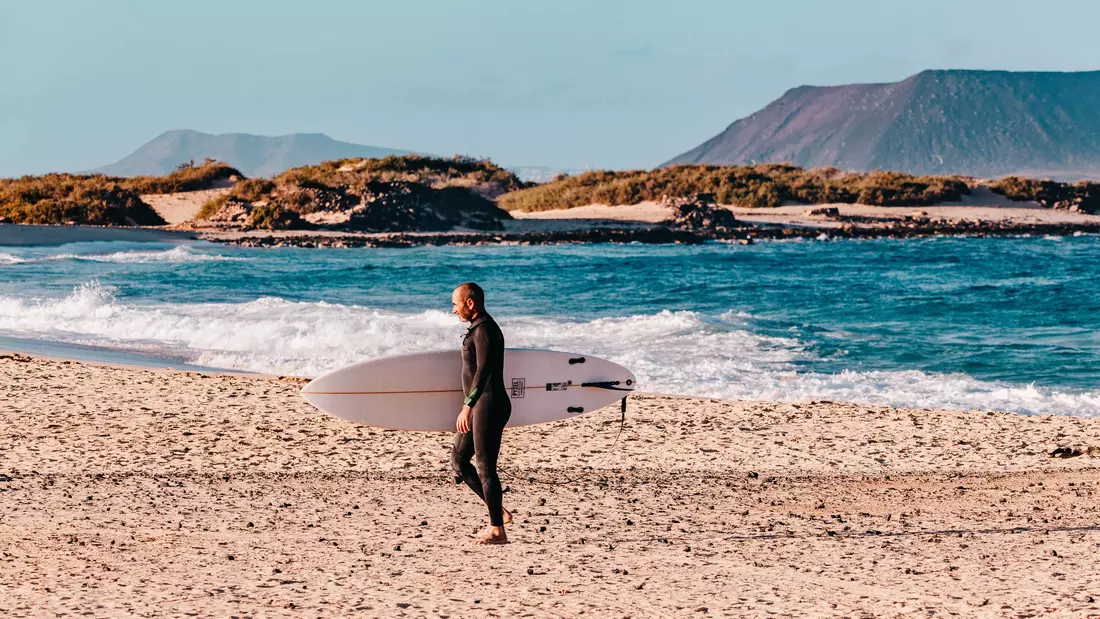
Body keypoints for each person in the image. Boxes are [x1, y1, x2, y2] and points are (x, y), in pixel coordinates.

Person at [450, 282, 513, 544]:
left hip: (489, 404)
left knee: (486, 468)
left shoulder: (485, 330)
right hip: (480, 405)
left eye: (456, 304)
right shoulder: (476, 330)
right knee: (459, 460)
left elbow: (483, 371)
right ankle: (498, 511)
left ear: (470, 303)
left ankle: (497, 530)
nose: (454, 310)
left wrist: (468, 405)